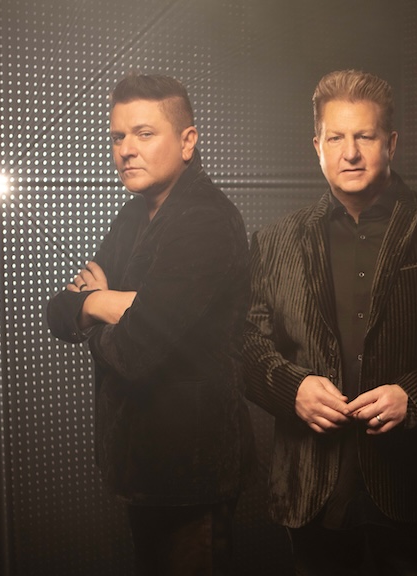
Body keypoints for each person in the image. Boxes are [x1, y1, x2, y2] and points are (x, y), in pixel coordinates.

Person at [243, 69, 417, 575]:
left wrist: (415, 394)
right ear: (317, 146)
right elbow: (247, 347)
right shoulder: (274, 240)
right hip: (312, 488)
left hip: (416, 483)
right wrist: (293, 390)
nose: (350, 153)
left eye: (364, 136)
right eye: (336, 138)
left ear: (391, 143)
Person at [46, 73, 254, 575]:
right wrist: (109, 305)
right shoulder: (132, 216)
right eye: (118, 136)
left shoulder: (205, 221)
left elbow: (137, 351)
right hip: (139, 468)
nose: (126, 150)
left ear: (187, 141)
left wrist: (94, 303)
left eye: (144, 133)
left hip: (190, 473)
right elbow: (59, 311)